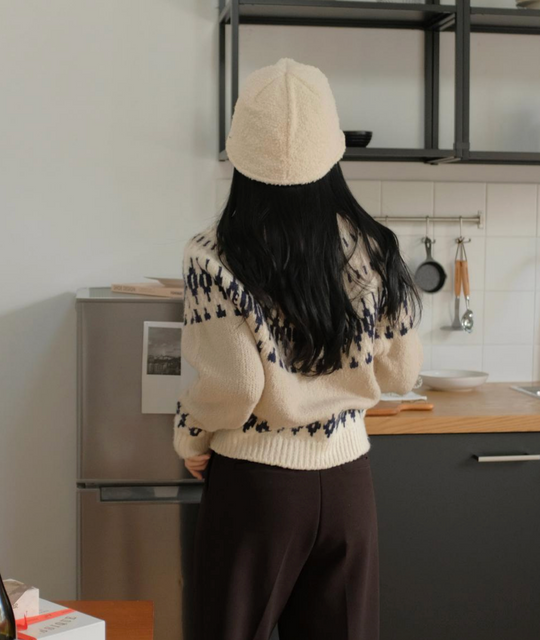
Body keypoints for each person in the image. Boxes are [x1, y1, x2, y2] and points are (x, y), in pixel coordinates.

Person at [173, 57, 423, 640]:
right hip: (348, 484)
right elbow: (402, 372)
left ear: (241, 151)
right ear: (332, 148)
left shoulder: (213, 253)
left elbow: (236, 386)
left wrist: (190, 435)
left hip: (255, 486)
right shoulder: (374, 245)